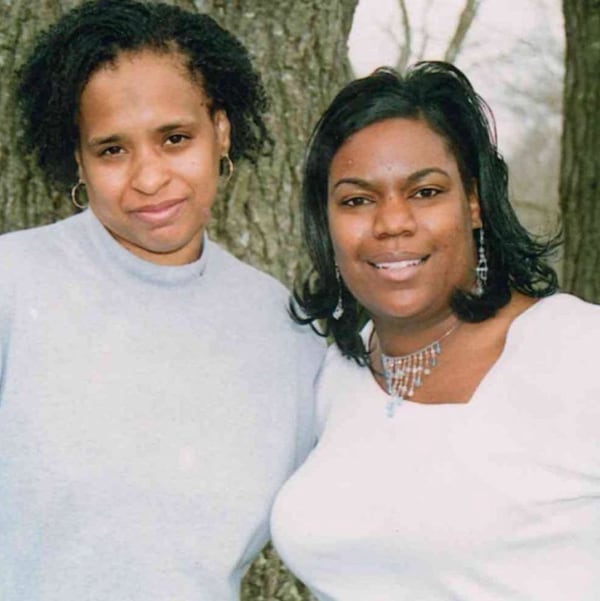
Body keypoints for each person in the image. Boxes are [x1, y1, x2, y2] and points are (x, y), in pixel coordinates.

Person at [0, 1, 323, 599]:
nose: (148, 177)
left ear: (220, 131)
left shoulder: (283, 332)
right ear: (78, 156)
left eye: (175, 138)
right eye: (112, 150)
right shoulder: (13, 284)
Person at [271, 62, 600, 600]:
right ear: (325, 221)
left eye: (424, 192)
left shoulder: (577, 349)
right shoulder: (330, 371)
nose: (392, 222)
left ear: (473, 201)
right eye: (356, 200)